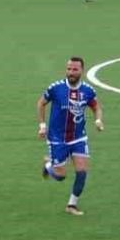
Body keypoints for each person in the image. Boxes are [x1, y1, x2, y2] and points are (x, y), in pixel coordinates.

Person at [37, 56, 104, 216]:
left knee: (82, 171)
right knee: (60, 176)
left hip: (78, 137)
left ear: (81, 71)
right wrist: (42, 126)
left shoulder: (88, 91)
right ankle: (48, 164)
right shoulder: (56, 88)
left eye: (75, 69)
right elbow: (41, 103)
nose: (71, 72)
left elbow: (96, 107)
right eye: (69, 69)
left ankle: (71, 205)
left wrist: (98, 120)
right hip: (57, 138)